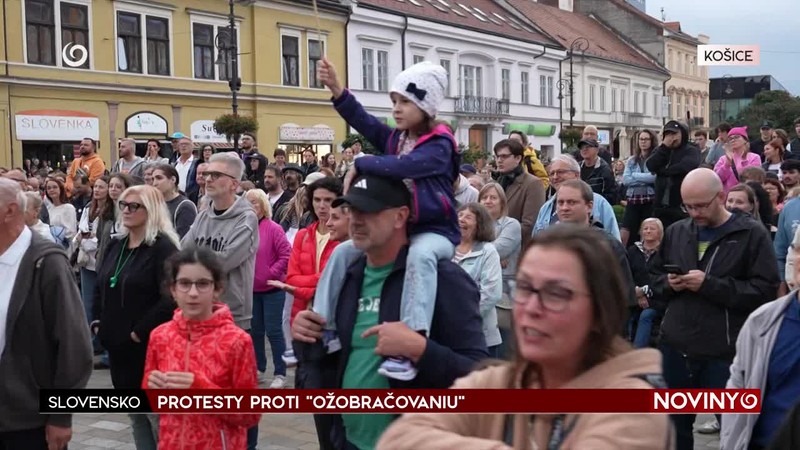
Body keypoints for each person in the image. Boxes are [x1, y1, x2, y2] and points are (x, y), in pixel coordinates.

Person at [377, 224, 672, 449]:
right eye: (525, 288)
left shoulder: (635, 407)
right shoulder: (501, 383)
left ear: (599, 311)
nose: (531, 307)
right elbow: (400, 437)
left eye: (556, 294)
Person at [291, 174, 488, 450]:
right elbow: (330, 364)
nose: (356, 220)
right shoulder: (349, 274)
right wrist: (305, 339)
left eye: (368, 211)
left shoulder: (443, 279)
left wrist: (420, 349)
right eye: (352, 210)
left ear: (400, 216)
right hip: (349, 440)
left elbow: (481, 375)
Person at [315, 59, 462, 381]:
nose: (396, 108)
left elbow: (405, 167)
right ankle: (323, 326)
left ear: (426, 105)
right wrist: (337, 89)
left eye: (405, 101)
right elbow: (364, 122)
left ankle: (409, 344)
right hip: (402, 229)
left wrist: (363, 161)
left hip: (435, 230)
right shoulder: (398, 138)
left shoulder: (440, 144)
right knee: (341, 252)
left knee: (421, 257)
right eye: (394, 100)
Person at [650, 168, 780, 450]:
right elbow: (653, 279)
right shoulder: (677, 231)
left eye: (701, 205)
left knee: (736, 431)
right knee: (673, 430)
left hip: (724, 352)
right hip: (676, 348)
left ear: (721, 196)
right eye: (688, 206)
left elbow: (765, 292)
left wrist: (710, 284)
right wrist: (670, 284)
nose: (694, 212)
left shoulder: (751, 234)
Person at [0, 178, 93, 450]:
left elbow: (74, 346)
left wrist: (61, 416)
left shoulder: (47, 263)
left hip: (28, 420)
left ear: (10, 211)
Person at [143, 248, 261, 450]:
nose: (193, 293)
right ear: (173, 289)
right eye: (185, 284)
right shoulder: (160, 336)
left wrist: (201, 389)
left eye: (203, 284)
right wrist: (151, 387)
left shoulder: (237, 341)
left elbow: (249, 415)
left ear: (217, 289)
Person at [91, 185, 180, 450]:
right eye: (123, 205)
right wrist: (97, 323)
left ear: (150, 210)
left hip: (149, 347)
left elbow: (170, 298)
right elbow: (100, 284)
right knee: (136, 416)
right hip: (118, 347)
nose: (127, 211)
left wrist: (137, 332)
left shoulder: (163, 248)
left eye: (134, 206)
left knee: (158, 419)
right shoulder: (117, 245)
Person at [181, 152, 259, 331]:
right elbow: (182, 252)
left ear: (234, 184)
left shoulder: (246, 218)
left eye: (216, 175)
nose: (208, 179)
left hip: (231, 314)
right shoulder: (203, 216)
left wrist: (193, 259)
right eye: (207, 174)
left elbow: (224, 261)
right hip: (198, 308)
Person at [554, 179, 636, 310]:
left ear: (589, 206)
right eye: (560, 202)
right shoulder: (548, 245)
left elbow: (624, 298)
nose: (564, 208)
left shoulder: (609, 246)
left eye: (571, 202)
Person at [245, 189, 291, 389]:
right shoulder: (244, 228)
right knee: (255, 331)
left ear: (263, 206)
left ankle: (280, 373)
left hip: (272, 289)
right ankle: (259, 368)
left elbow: (286, 255)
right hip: (251, 289)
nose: (251, 207)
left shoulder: (273, 228)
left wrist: (271, 273)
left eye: (255, 203)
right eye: (248, 203)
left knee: (274, 332)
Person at [454, 203, 503, 356]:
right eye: (459, 215)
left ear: (479, 224)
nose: (461, 220)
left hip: (480, 337)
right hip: (448, 336)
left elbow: (491, 293)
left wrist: (461, 318)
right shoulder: (445, 248)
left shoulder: (488, 252)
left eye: (468, 217)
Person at [533, 154, 620, 240]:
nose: (555, 177)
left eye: (560, 172)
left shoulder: (599, 203)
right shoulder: (545, 208)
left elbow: (614, 243)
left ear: (577, 175)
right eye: (551, 173)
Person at [479, 182, 521, 359]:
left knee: (502, 357)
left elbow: (500, 248)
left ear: (502, 202)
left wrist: (483, 251)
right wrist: (492, 255)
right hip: (478, 295)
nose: (488, 201)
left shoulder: (511, 225)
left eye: (493, 197)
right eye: (484, 197)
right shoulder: (473, 225)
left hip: (503, 297)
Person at [646, 120, 702, 230]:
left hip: (681, 206)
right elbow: (651, 165)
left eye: (674, 134)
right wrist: (664, 148)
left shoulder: (691, 149)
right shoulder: (661, 150)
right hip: (660, 205)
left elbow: (685, 167)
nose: (671, 137)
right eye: (668, 134)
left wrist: (663, 171)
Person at [492, 139, 546, 245]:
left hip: (518, 248)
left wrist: (499, 239)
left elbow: (529, 225)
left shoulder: (533, 183)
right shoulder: (496, 182)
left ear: (518, 158)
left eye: (504, 156)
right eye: (497, 156)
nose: (499, 160)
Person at [627, 218, 664, 348]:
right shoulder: (632, 251)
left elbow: (663, 278)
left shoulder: (665, 252)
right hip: (634, 295)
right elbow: (627, 274)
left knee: (646, 315)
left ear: (660, 232)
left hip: (657, 298)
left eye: (652, 228)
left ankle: (637, 353)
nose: (648, 231)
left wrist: (645, 292)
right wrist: (638, 293)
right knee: (625, 312)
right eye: (645, 228)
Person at [621, 129, 658, 245]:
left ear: (652, 141)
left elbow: (654, 178)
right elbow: (626, 180)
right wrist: (645, 179)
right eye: (641, 139)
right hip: (633, 199)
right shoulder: (632, 160)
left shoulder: (655, 159)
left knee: (647, 231)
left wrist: (635, 175)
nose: (643, 142)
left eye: (646, 139)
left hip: (649, 199)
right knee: (627, 230)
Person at [150, 163, 198, 238]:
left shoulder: (185, 206)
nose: (154, 183)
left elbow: (184, 242)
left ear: (173, 179)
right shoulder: (155, 204)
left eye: (159, 178)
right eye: (153, 179)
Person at [714, 126, 763, 193]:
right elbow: (717, 179)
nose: (733, 140)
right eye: (730, 138)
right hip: (728, 196)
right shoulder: (723, 159)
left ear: (745, 140)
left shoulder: (754, 157)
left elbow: (751, 178)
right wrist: (727, 164)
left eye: (736, 137)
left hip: (748, 194)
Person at [577, 138, 617, 205]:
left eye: (588, 147)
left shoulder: (605, 169)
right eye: (582, 147)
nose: (584, 149)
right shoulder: (576, 168)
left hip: (597, 209)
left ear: (597, 150)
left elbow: (611, 196)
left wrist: (590, 201)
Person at [172, 136, 200, 201]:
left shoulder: (197, 163)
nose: (183, 146)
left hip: (192, 198)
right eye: (181, 144)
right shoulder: (174, 164)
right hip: (175, 198)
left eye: (186, 144)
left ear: (192, 147)